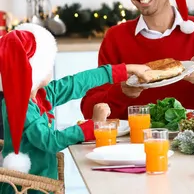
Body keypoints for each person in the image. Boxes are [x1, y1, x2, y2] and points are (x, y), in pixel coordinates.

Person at [0, 23, 149, 191]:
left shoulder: (42, 94)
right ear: (36, 71)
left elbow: (76, 83)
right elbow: (50, 141)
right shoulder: (21, 107)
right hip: (26, 187)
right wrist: (93, 125)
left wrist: (123, 70)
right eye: (49, 63)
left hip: (43, 180)